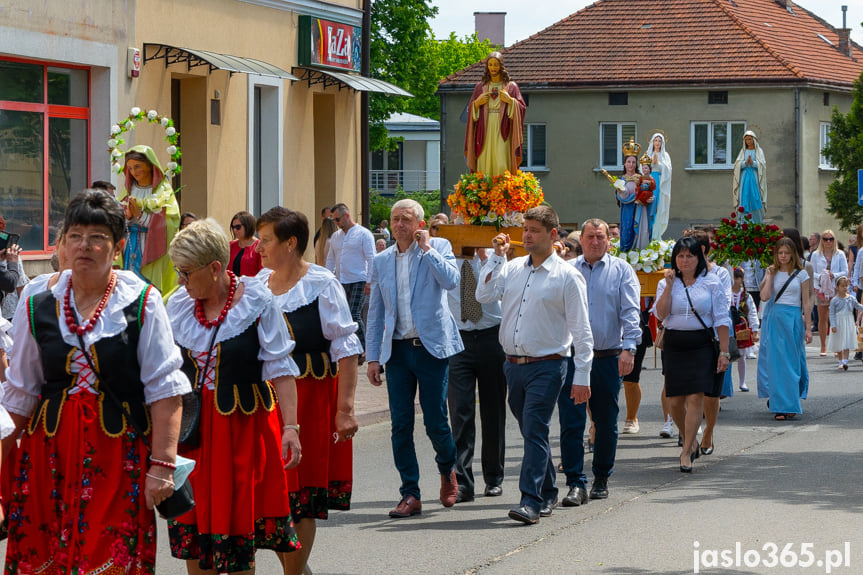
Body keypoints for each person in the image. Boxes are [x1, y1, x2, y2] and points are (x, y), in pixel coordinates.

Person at [1, 189, 190, 572]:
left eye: (98, 237)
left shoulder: (142, 301)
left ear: (118, 247)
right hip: (47, 457)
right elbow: (19, 393)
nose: (84, 246)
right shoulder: (36, 302)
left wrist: (163, 465)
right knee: (45, 557)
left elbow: (165, 389)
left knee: (110, 558)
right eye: (75, 235)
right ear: (63, 243)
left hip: (117, 457)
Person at [166, 218, 302, 572]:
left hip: (245, 429)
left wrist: (291, 428)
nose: (180, 281)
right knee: (196, 534)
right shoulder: (177, 305)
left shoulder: (257, 301)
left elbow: (282, 370)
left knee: (241, 534)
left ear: (214, 268)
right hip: (193, 431)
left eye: (185, 273)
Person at [255, 207, 361, 574]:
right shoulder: (256, 285)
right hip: (267, 402)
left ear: (290, 243)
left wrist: (345, 409)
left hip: (312, 400)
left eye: (265, 240)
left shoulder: (321, 283)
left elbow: (346, 350)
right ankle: (298, 571)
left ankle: (294, 572)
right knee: (273, 494)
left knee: (301, 498)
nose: (258, 247)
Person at [476, 205, 593, 525]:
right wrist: (497, 257)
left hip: (549, 364)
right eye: (525, 229)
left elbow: (582, 330)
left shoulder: (568, 276)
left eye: (534, 230)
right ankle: (550, 490)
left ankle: (530, 500)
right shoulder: (512, 267)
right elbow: (483, 295)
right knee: (532, 431)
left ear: (553, 234)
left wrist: (582, 375)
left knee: (535, 426)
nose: (526, 235)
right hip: (513, 365)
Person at [366, 198, 462, 518]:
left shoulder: (439, 246)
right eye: (395, 219)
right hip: (397, 350)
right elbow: (377, 310)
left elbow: (452, 281)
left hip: (431, 346)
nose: (399, 225)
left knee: (435, 420)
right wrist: (373, 357)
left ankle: (447, 468)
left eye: (406, 219)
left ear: (419, 224)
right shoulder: (381, 260)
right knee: (401, 424)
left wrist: (428, 249)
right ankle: (410, 492)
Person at [558, 219, 639, 505]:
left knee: (605, 422)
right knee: (571, 421)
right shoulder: (567, 270)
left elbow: (631, 311)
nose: (595, 241)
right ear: (581, 239)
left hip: (606, 357)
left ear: (608, 240)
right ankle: (575, 482)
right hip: (571, 358)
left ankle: (601, 476)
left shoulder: (621, 270)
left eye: (600, 237)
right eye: (590, 236)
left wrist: (629, 349)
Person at [653, 236, 731, 472]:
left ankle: (686, 450)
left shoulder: (712, 283)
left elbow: (721, 319)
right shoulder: (666, 282)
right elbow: (661, 314)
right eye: (680, 256)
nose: (684, 261)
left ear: (699, 258)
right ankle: (689, 435)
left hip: (702, 343)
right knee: (675, 400)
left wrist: (724, 352)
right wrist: (668, 286)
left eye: (690, 256)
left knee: (696, 396)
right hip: (675, 343)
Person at [445, 248, 507, 503]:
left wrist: (487, 257)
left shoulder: (495, 253)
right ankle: (463, 482)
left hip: (493, 336)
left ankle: (493, 477)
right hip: (458, 339)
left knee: (493, 411)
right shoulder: (446, 254)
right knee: (460, 411)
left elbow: (502, 286)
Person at [757, 237, 812, 420]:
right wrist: (770, 276)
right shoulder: (771, 272)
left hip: (794, 319)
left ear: (792, 254)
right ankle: (780, 406)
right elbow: (764, 297)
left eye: (786, 253)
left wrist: (808, 327)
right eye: (780, 253)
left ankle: (791, 402)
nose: (783, 256)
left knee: (792, 363)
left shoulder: (801, 274)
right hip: (775, 318)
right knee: (776, 364)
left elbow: (806, 301)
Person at [118, 145, 180, 295]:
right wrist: (127, 216)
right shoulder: (128, 191)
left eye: (137, 167)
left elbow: (171, 222)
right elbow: (117, 220)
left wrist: (141, 216)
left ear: (150, 166)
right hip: (130, 243)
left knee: (146, 286)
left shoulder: (163, 191)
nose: (133, 172)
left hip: (152, 245)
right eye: (130, 168)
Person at [465, 51, 527, 178]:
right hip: (484, 130)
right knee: (484, 159)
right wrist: (477, 103)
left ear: (501, 66)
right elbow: (470, 109)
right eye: (490, 65)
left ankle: (502, 192)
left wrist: (510, 101)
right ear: (487, 67)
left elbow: (522, 108)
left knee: (501, 160)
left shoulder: (511, 87)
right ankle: (485, 190)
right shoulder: (480, 87)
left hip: (503, 129)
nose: (493, 68)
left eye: (496, 65)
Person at [326, 203, 375, 354]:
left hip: (359, 279)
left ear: (347, 216)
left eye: (338, 219)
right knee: (343, 316)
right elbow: (331, 259)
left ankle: (363, 348)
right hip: (341, 280)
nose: (336, 223)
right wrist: (327, 279)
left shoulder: (363, 234)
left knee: (354, 314)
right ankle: (351, 347)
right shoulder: (336, 237)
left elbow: (371, 258)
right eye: (334, 220)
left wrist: (370, 281)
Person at [609, 139, 653, 252]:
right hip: (627, 210)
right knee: (627, 231)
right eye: (629, 162)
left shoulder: (641, 178)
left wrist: (649, 198)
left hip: (640, 209)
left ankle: (638, 253)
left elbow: (651, 190)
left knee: (640, 230)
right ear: (624, 163)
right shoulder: (621, 179)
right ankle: (626, 254)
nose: (631, 165)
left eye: (633, 162)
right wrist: (621, 192)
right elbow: (621, 198)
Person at [811, 229, 848, 356]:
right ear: (822, 240)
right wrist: (822, 276)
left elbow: (845, 271)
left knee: (837, 318)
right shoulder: (816, 254)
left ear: (834, 240)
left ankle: (837, 346)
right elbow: (812, 272)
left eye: (830, 239)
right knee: (823, 317)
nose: (828, 241)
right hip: (821, 288)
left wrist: (834, 275)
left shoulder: (840, 254)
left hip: (836, 288)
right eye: (825, 239)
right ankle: (823, 345)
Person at [730, 267, 760, 391]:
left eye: (739, 277)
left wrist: (755, 330)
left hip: (741, 328)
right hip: (729, 327)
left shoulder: (746, 295)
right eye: (735, 277)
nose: (737, 280)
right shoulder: (727, 293)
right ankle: (727, 384)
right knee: (728, 354)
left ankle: (742, 382)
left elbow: (752, 312)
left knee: (742, 355)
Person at [827, 276, 863, 370]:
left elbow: (858, 306)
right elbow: (832, 314)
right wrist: (833, 325)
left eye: (846, 286)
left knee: (846, 342)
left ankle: (845, 361)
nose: (845, 288)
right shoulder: (834, 300)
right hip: (839, 322)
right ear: (837, 287)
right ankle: (840, 361)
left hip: (848, 321)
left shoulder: (851, 298)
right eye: (842, 286)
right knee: (839, 342)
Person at [732, 131, 767, 223]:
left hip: (755, 177)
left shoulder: (759, 151)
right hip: (744, 178)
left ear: (754, 140)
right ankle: (743, 221)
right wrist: (744, 163)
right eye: (746, 139)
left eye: (750, 139)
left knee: (756, 197)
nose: (748, 141)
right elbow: (737, 165)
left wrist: (753, 163)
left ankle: (756, 220)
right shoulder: (743, 152)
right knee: (744, 196)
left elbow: (763, 165)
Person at [648, 133, 672, 241]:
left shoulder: (665, 155)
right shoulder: (648, 154)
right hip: (649, 182)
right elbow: (641, 168)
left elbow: (668, 171)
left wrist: (659, 164)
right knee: (649, 205)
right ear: (652, 142)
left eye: (659, 141)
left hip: (659, 182)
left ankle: (656, 234)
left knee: (658, 206)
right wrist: (651, 164)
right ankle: (649, 232)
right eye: (655, 140)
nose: (657, 143)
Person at [229, 210, 263, 277]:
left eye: (238, 227)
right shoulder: (230, 246)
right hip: (232, 286)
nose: (234, 230)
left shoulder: (260, 247)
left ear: (248, 226)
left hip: (251, 286)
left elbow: (263, 275)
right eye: (233, 227)